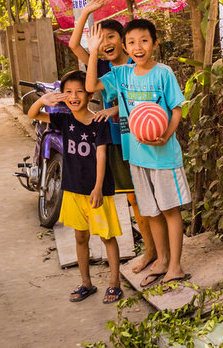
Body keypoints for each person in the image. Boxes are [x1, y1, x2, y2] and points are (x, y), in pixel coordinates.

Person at [85, 19, 191, 288]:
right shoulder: (121, 75)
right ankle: (162, 260)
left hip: (164, 157)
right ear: (124, 46)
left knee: (169, 210)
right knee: (151, 211)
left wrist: (166, 135)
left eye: (144, 40)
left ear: (154, 43)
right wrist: (94, 50)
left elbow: (176, 108)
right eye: (131, 42)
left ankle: (176, 265)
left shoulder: (163, 73)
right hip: (137, 156)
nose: (137, 47)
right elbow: (89, 87)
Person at [68, 0, 157, 275]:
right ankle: (151, 251)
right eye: (100, 38)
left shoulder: (136, 62)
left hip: (143, 136)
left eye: (111, 37)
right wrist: (85, 14)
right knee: (132, 198)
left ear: (123, 41)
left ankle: (156, 252)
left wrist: (115, 107)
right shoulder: (102, 68)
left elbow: (144, 96)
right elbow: (74, 46)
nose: (106, 42)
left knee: (146, 196)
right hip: (118, 139)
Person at [28, 70, 123, 304]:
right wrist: (42, 100)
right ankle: (86, 283)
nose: (73, 96)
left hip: (96, 192)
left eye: (79, 91)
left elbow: (102, 156)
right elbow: (34, 114)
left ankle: (114, 284)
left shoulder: (99, 122)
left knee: (107, 237)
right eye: (68, 92)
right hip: (72, 189)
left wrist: (98, 187)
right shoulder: (64, 119)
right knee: (80, 238)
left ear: (90, 95)